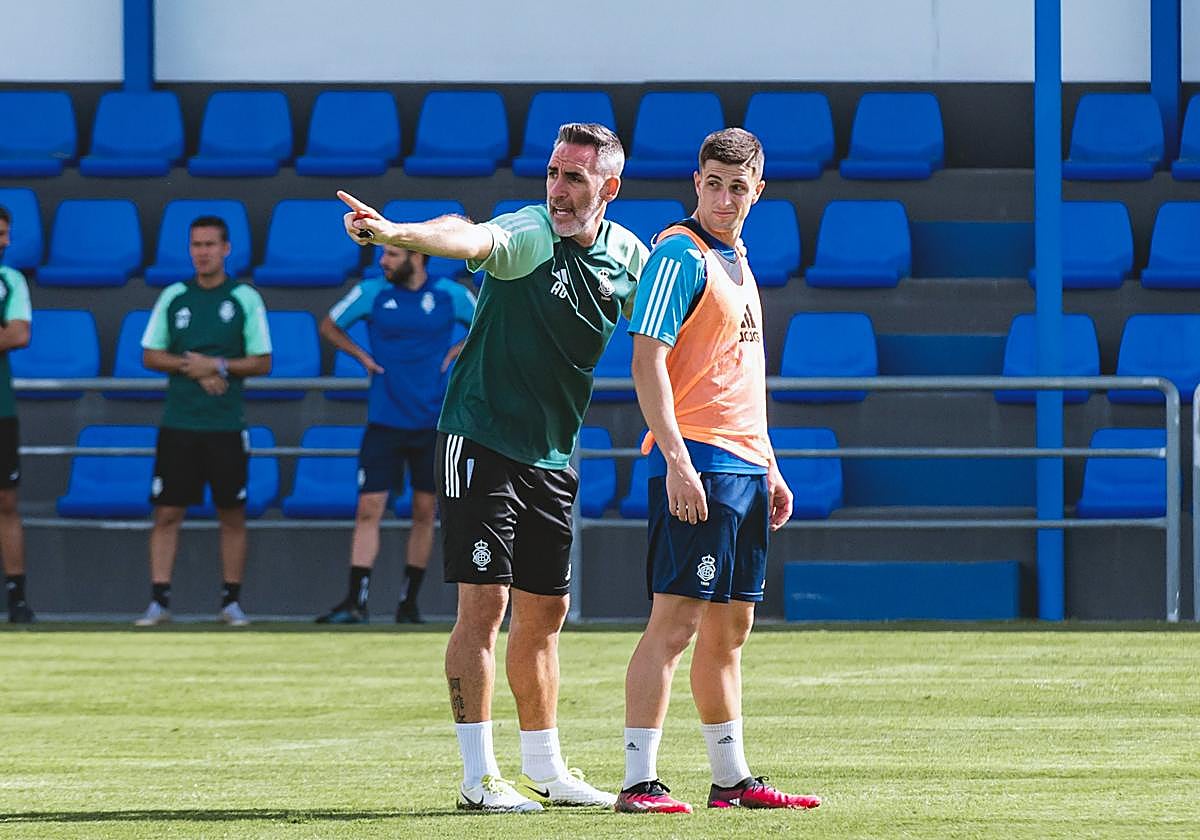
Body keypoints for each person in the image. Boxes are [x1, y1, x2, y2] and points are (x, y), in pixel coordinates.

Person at [338, 121, 648, 813]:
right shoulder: (530, 234)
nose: (559, 190)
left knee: (547, 611)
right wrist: (396, 234)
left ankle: (547, 769)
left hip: (552, 452)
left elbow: (662, 328)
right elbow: (467, 234)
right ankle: (478, 778)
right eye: (554, 173)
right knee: (486, 605)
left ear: (610, 187)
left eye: (576, 177)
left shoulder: (628, 255)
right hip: (479, 437)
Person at [616, 129, 822, 813]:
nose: (726, 197)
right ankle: (638, 780)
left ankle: (731, 779)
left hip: (742, 466)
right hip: (697, 460)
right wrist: (676, 460)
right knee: (673, 625)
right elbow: (646, 360)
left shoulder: (738, 259)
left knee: (731, 629)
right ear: (695, 183)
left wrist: (772, 465)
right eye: (714, 183)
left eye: (739, 186)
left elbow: (740, 376)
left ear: (758, 190)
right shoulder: (679, 253)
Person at [314, 244, 476, 625]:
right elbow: (329, 324)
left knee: (424, 511)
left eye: (390, 254)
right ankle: (356, 601)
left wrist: (455, 353)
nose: (382, 261)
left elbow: (489, 321)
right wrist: (363, 358)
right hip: (384, 420)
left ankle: (408, 603)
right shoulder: (372, 292)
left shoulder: (450, 294)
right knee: (368, 508)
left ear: (416, 257)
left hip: (434, 422)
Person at [134, 215, 272, 627]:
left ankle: (231, 602)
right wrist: (191, 365)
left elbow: (263, 361)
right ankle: (159, 600)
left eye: (210, 245)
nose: (203, 252)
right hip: (179, 422)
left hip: (226, 424)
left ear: (226, 249)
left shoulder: (244, 297)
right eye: (196, 245)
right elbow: (149, 354)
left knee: (231, 514)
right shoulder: (175, 295)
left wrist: (219, 366)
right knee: (167, 513)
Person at [0, 205, 33, 624]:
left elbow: (20, 333)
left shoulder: (11, 281)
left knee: (6, 501)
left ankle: (17, 599)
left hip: (0, 409)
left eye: (5, 233)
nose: (2, 240)